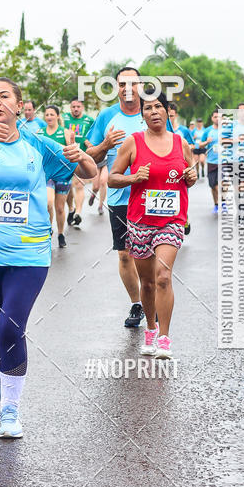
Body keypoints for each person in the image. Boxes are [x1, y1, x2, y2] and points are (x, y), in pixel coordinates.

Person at [0, 77, 96, 439]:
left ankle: (11, 411)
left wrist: (83, 156)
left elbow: (88, 173)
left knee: (11, 329)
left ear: (18, 105)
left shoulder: (37, 144)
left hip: (29, 253)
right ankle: (2, 365)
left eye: (4, 96)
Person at [108, 92, 197, 359]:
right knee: (146, 283)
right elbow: (112, 178)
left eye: (159, 106)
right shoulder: (133, 142)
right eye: (148, 108)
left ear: (167, 111)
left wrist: (191, 177)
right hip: (140, 221)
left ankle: (165, 339)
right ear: (142, 115)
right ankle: (150, 329)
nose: (154, 111)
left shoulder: (181, 143)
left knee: (163, 276)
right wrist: (134, 177)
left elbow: (190, 175)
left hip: (171, 221)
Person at [86, 68, 147, 327]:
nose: (128, 88)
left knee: (149, 254)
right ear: (117, 87)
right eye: (122, 84)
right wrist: (105, 145)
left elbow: (170, 147)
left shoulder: (152, 112)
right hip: (120, 197)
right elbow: (91, 156)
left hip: (150, 197)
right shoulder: (106, 116)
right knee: (125, 255)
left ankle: (153, 298)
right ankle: (137, 303)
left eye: (133, 83)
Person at [42, 105, 72, 248]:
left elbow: (71, 151)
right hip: (47, 174)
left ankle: (60, 234)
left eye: (52, 114)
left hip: (62, 174)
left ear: (57, 116)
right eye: (47, 114)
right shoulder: (40, 133)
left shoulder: (64, 132)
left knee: (60, 208)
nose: (49, 117)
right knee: (48, 203)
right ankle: (49, 231)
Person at [63, 97, 95, 226]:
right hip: (66, 157)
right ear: (70, 107)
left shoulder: (89, 120)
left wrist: (90, 143)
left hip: (81, 158)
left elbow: (95, 135)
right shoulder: (64, 118)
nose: (76, 109)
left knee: (79, 185)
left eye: (78, 107)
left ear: (82, 107)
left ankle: (78, 213)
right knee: (68, 187)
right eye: (73, 107)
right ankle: (71, 208)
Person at [167, 103, 194, 235]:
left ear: (176, 115)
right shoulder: (159, 130)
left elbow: (192, 146)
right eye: (167, 115)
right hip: (165, 169)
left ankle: (184, 217)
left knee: (180, 199)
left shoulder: (183, 131)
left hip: (180, 171)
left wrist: (182, 147)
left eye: (171, 116)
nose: (169, 118)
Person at [200, 109, 223, 213]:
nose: (217, 119)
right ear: (212, 118)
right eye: (215, 117)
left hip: (224, 161)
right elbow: (200, 145)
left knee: (222, 185)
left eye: (219, 117)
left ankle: (224, 204)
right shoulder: (207, 131)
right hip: (211, 162)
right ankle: (216, 204)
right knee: (213, 186)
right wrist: (206, 142)